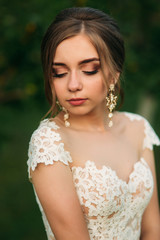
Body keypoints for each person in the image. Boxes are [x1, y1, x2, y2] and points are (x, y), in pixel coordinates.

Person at [27, 7, 160, 240]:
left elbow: (153, 230)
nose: (73, 84)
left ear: (113, 75)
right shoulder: (49, 144)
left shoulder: (138, 128)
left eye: (89, 70)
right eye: (59, 73)